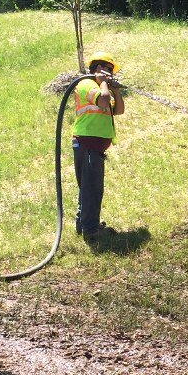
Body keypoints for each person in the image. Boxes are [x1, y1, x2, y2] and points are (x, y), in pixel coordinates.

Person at [71, 52, 125, 242]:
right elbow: (102, 101)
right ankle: (91, 231)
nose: (111, 74)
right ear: (98, 68)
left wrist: (115, 90)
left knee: (88, 187)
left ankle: (83, 224)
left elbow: (118, 110)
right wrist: (103, 83)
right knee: (92, 189)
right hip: (87, 144)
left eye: (112, 71)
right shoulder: (87, 84)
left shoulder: (103, 89)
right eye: (108, 69)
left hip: (93, 146)